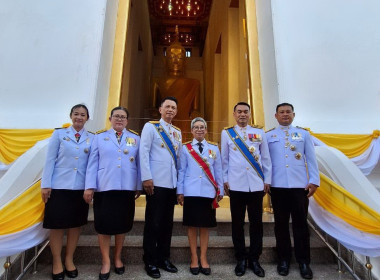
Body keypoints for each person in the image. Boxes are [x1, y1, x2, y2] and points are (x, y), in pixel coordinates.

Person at [83, 107, 141, 280]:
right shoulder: (99, 137)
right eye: (116, 116)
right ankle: (105, 261)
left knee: (122, 225)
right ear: (110, 118)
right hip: (105, 187)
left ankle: (117, 258)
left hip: (126, 188)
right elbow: (92, 163)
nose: (120, 119)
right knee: (104, 226)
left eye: (123, 117)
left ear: (127, 121)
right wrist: (89, 186)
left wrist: (137, 186)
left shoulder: (135, 138)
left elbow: (138, 164)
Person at [266, 103, 319, 279]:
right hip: (278, 186)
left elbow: (311, 159)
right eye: (281, 112)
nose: (285, 115)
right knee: (280, 225)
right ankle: (284, 260)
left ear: (293, 115)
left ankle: (304, 262)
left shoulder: (304, 134)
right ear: (276, 116)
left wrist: (313, 181)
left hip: (299, 186)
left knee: (301, 225)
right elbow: (266, 162)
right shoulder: (269, 135)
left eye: (288, 112)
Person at [41, 104, 94, 280]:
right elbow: (50, 160)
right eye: (76, 114)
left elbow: (92, 166)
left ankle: (69, 260)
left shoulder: (92, 138)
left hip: (79, 188)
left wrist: (89, 187)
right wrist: (46, 184)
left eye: (83, 115)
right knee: (56, 226)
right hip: (58, 186)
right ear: (71, 116)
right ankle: (57, 261)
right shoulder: (59, 134)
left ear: (87, 118)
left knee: (75, 225)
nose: (79, 117)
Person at [221, 102, 272, 277]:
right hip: (236, 185)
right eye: (239, 112)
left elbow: (265, 158)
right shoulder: (227, 133)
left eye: (245, 112)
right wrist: (225, 180)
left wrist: (267, 179)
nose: (242, 114)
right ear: (234, 114)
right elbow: (224, 160)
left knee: (256, 224)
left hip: (256, 184)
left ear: (250, 114)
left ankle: (255, 259)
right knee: (237, 224)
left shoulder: (259, 132)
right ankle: (241, 258)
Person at [140, 96, 182, 279]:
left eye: (173, 107)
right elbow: (143, 151)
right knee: (153, 223)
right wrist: (146, 177)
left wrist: (179, 186)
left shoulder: (177, 132)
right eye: (167, 107)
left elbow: (178, 160)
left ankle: (164, 258)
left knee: (167, 224)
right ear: (160, 109)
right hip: (155, 183)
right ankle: (149, 260)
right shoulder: (151, 127)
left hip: (171, 184)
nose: (170, 110)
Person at [177, 117, 224, 276]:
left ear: (206, 130)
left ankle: (204, 258)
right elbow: (182, 170)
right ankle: (194, 258)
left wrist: (220, 191)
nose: (199, 130)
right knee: (191, 226)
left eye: (202, 127)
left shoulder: (214, 148)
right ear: (191, 131)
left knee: (205, 226)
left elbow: (218, 171)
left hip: (208, 192)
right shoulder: (185, 148)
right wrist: (180, 191)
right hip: (191, 192)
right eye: (196, 127)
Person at [151, 25, 200, 132]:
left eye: (180, 57)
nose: (176, 61)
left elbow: (195, 109)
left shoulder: (193, 83)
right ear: (165, 60)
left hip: (185, 122)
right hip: (165, 119)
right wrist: (155, 112)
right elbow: (153, 108)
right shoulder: (158, 82)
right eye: (172, 57)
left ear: (185, 61)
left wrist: (195, 112)